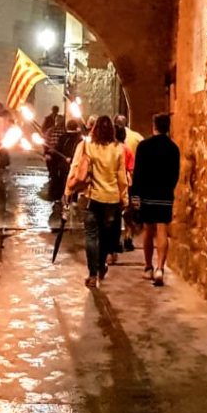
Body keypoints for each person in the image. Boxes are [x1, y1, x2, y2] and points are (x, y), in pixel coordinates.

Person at [65, 115, 127, 289]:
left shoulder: (86, 146)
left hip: (92, 197)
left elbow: (76, 170)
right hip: (112, 199)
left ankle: (93, 274)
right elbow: (121, 177)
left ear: (95, 129)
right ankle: (101, 267)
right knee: (106, 236)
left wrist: (68, 190)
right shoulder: (118, 149)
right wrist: (125, 199)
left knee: (92, 236)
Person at [131, 113, 181, 286]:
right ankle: (160, 268)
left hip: (147, 195)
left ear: (154, 126)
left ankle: (148, 267)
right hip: (165, 195)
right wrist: (169, 189)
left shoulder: (144, 146)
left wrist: (136, 195)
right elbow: (175, 174)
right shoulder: (173, 149)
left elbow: (137, 173)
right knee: (162, 230)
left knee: (148, 231)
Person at [114, 125, 138, 262]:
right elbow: (132, 169)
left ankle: (115, 241)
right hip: (127, 184)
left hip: (113, 184)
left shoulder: (114, 149)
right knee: (128, 213)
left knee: (115, 214)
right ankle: (128, 238)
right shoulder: (128, 150)